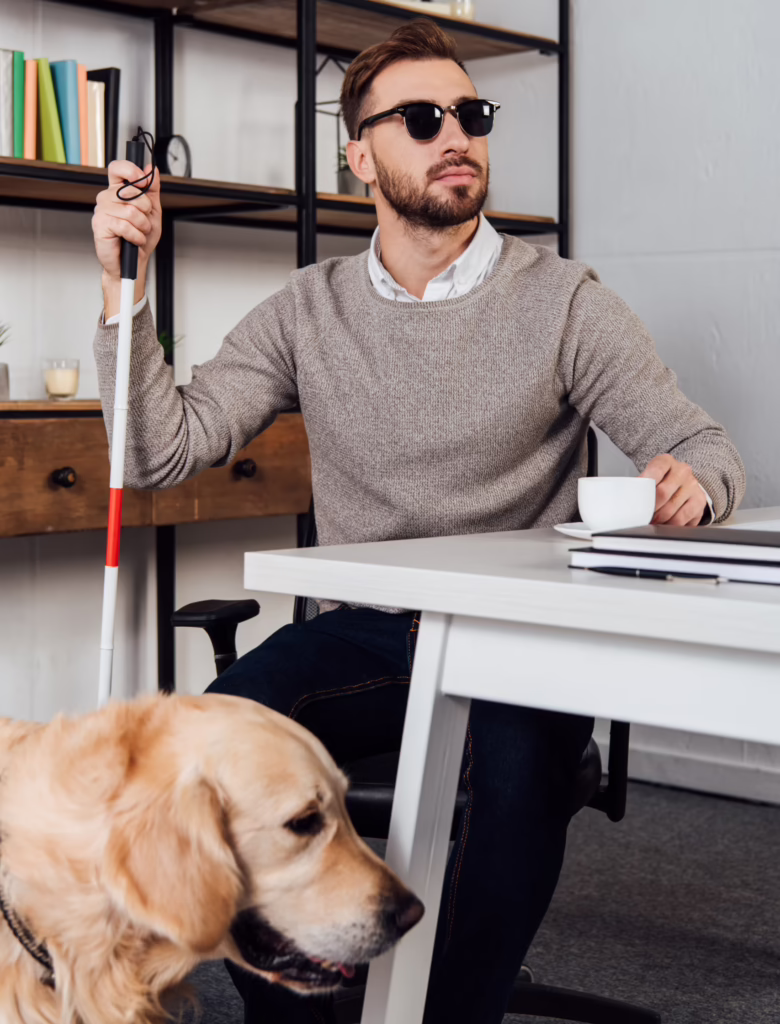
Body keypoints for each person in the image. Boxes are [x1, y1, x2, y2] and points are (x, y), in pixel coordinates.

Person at [91, 19, 745, 1024]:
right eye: (424, 118)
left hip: (525, 639)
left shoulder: (565, 301)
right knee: (230, 725)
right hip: (369, 630)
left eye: (472, 116)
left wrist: (691, 485)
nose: (458, 137)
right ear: (360, 155)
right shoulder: (309, 310)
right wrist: (122, 287)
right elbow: (155, 452)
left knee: (520, 772)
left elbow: (704, 447)